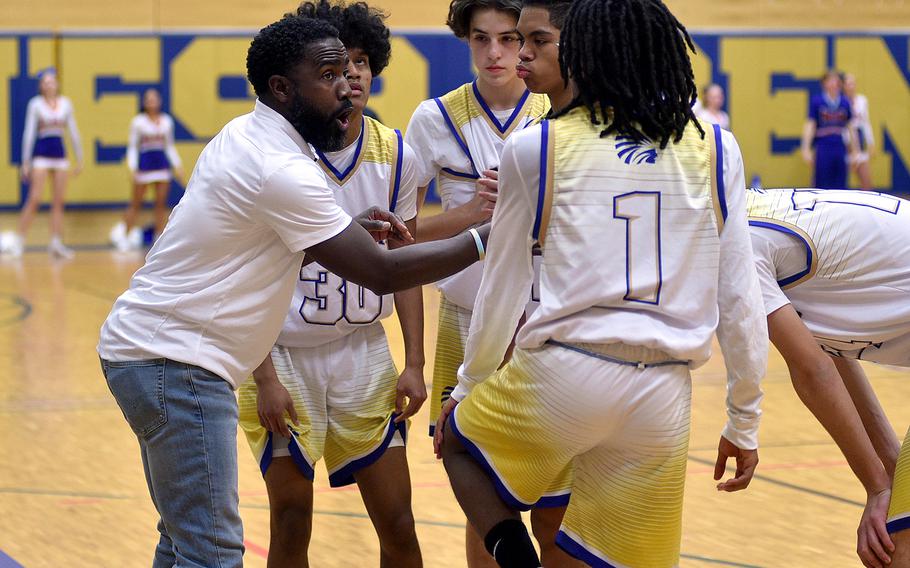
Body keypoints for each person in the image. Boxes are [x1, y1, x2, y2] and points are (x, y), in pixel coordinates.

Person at [97, 15, 491, 567]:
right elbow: (380, 272)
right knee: (212, 550)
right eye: (328, 74)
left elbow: (277, 240)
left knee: (184, 542)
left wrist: (351, 226)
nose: (345, 85)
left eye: (351, 70)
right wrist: (488, 235)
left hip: (156, 355)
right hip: (178, 362)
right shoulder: (280, 165)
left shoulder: (249, 134)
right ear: (282, 87)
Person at [434, 0, 768, 566]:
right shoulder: (715, 146)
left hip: (565, 371)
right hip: (664, 397)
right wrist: (745, 417)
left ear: (586, 50)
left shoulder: (537, 146)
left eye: (537, 41)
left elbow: (504, 287)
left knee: (460, 447)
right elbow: (738, 296)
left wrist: (468, 385)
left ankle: (514, 555)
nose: (522, 54)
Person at [236, 2, 424, 565]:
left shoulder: (396, 156)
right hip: (283, 351)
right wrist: (263, 375)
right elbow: (245, 277)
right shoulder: (275, 154)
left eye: (361, 62)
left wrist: (413, 360)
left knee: (399, 518)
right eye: (336, 68)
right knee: (291, 519)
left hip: (363, 352)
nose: (352, 76)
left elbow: (404, 263)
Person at [404, 1, 550, 565]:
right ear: (465, 41)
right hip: (465, 320)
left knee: (555, 489)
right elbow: (404, 236)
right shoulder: (432, 118)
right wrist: (468, 214)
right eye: (481, 39)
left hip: (543, 322)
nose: (495, 53)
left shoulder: (555, 110)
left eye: (509, 39)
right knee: (481, 490)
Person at [746, 187, 910, 568]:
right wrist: (888, 469)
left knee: (898, 549)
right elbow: (826, 352)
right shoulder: (754, 214)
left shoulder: (733, 244)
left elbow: (811, 370)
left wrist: (878, 487)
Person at [4, 69, 83, 259]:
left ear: (57, 84)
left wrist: (79, 157)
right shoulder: (36, 104)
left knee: (58, 201)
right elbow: (29, 133)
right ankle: (20, 241)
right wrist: (25, 162)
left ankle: (56, 243)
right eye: (45, 82)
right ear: (41, 86)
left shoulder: (66, 103)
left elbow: (73, 131)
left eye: (52, 81)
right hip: (41, 156)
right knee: (35, 198)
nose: (49, 85)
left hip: (60, 156)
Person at [111, 88, 184, 251]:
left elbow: (169, 146)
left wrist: (177, 165)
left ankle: (159, 238)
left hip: (162, 167)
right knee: (135, 203)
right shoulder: (138, 122)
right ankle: (125, 235)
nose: (151, 102)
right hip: (144, 166)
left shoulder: (166, 121)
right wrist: (132, 168)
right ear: (144, 103)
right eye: (148, 99)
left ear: (160, 101)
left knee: (160, 204)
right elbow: (132, 147)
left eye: (154, 99)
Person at [801, 70, 856, 189]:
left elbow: (851, 127)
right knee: (821, 183)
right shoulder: (817, 101)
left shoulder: (845, 102)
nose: (834, 83)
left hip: (840, 146)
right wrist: (806, 148)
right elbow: (810, 124)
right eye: (830, 80)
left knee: (840, 183)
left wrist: (855, 150)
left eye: (836, 80)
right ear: (824, 83)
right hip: (823, 146)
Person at [844, 73, 875, 191]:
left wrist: (871, 143)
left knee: (866, 182)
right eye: (847, 84)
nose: (850, 86)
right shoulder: (841, 101)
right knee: (839, 183)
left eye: (852, 83)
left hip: (860, 141)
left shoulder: (862, 100)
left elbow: (866, 122)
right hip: (845, 143)